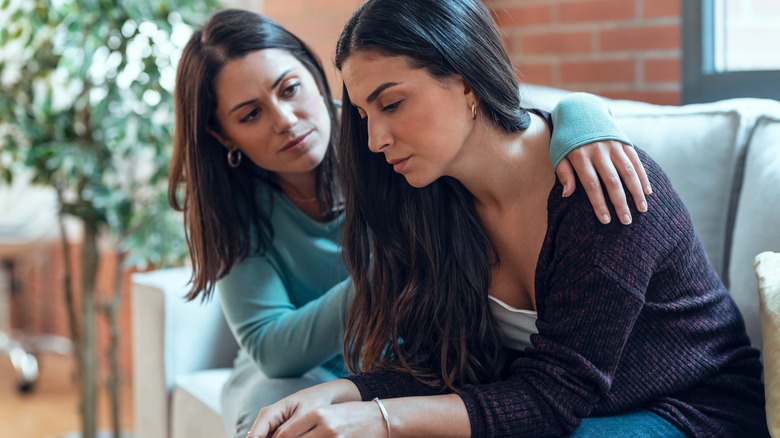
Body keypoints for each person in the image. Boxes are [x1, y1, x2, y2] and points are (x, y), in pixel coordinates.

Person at [246, 0, 769, 437]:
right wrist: (346, 391)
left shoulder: (599, 188)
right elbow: (442, 371)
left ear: (466, 81)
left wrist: (380, 419)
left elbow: (553, 397)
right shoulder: (436, 202)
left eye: (393, 104)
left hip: (692, 408)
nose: (375, 139)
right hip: (581, 411)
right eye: (363, 114)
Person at [169, 8, 656, 438]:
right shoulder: (246, 202)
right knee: (271, 405)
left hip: (406, 356)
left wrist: (584, 115)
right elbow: (273, 351)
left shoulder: (397, 145)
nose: (286, 120)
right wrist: (391, 273)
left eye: (290, 89)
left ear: (313, 75)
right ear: (222, 134)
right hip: (329, 368)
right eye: (251, 114)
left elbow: (496, 111)